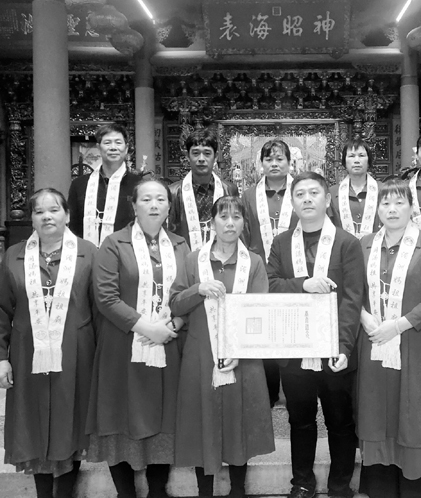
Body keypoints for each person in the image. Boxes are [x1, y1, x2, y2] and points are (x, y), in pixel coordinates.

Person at [86, 179, 190, 498]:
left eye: (160, 199)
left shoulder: (181, 246)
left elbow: (188, 293)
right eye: (146, 199)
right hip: (123, 345)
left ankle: (158, 490)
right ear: (133, 205)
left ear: (169, 207)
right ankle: (125, 492)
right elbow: (106, 297)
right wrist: (146, 327)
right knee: (120, 411)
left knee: (163, 413)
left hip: (168, 344)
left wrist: (175, 321)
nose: (154, 205)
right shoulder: (113, 244)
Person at [169, 195, 275, 498]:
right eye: (223, 217)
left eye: (236, 217)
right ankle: (205, 491)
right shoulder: (194, 260)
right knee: (203, 422)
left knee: (239, 423)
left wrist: (239, 351)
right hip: (201, 354)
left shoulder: (254, 262)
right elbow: (175, 303)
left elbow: (261, 313)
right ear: (212, 222)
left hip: (243, 357)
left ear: (244, 223)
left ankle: (237, 490)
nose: (230, 223)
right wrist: (198, 289)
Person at [267, 171, 365, 498]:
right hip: (295, 347)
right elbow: (269, 285)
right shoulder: (281, 243)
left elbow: (353, 298)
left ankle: (340, 486)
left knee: (340, 421)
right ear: (292, 202)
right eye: (300, 194)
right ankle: (302, 483)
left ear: (327, 199)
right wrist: (303, 284)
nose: (307, 199)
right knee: (300, 420)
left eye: (313, 193)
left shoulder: (347, 243)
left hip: (335, 348)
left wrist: (344, 347)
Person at [356, 179, 421, 498]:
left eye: (399, 202)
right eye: (385, 203)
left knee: (414, 413)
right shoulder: (364, 245)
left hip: (414, 344)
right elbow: (351, 290)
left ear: (412, 208)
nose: (392, 209)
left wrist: (399, 325)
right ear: (377, 210)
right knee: (377, 413)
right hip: (373, 343)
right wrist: (363, 316)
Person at [0, 188, 96, 498]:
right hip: (28, 352)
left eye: (54, 210)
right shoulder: (14, 255)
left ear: (67, 215)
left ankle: (65, 492)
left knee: (72, 421)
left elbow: (100, 308)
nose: (46, 216)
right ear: (31, 219)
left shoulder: (88, 252)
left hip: (77, 353)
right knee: (34, 422)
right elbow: (2, 309)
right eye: (39, 211)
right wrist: (1, 357)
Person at [241, 138, 299, 407]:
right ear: (261, 164)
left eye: (279, 159)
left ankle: (294, 390)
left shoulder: (300, 191)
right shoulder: (249, 195)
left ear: (290, 162)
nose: (274, 164)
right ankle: (269, 393)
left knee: (291, 329)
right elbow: (244, 234)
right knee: (264, 334)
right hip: (259, 274)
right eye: (269, 159)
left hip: (293, 273)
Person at [68, 123, 140, 247]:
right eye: (107, 143)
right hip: (86, 252)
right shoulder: (79, 184)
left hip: (127, 252)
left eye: (118, 143)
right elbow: (73, 224)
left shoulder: (139, 184)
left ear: (126, 148)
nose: (113, 148)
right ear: (99, 147)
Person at [169, 128, 239, 251]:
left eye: (207, 153)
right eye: (196, 153)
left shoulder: (229, 190)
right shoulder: (173, 192)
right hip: (185, 256)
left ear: (215, 156)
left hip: (220, 256)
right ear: (187, 156)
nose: (201, 159)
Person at [329, 140, 382, 238]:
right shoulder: (332, 193)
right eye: (351, 156)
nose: (357, 160)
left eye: (361, 155)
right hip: (343, 246)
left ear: (369, 160)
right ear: (344, 161)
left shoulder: (383, 190)